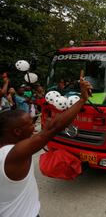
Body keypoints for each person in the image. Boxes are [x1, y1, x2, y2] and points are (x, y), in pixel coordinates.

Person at [0, 77, 91, 217]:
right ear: (17, 131)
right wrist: (82, 99)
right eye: (31, 123)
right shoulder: (12, 155)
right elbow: (52, 129)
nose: (34, 125)